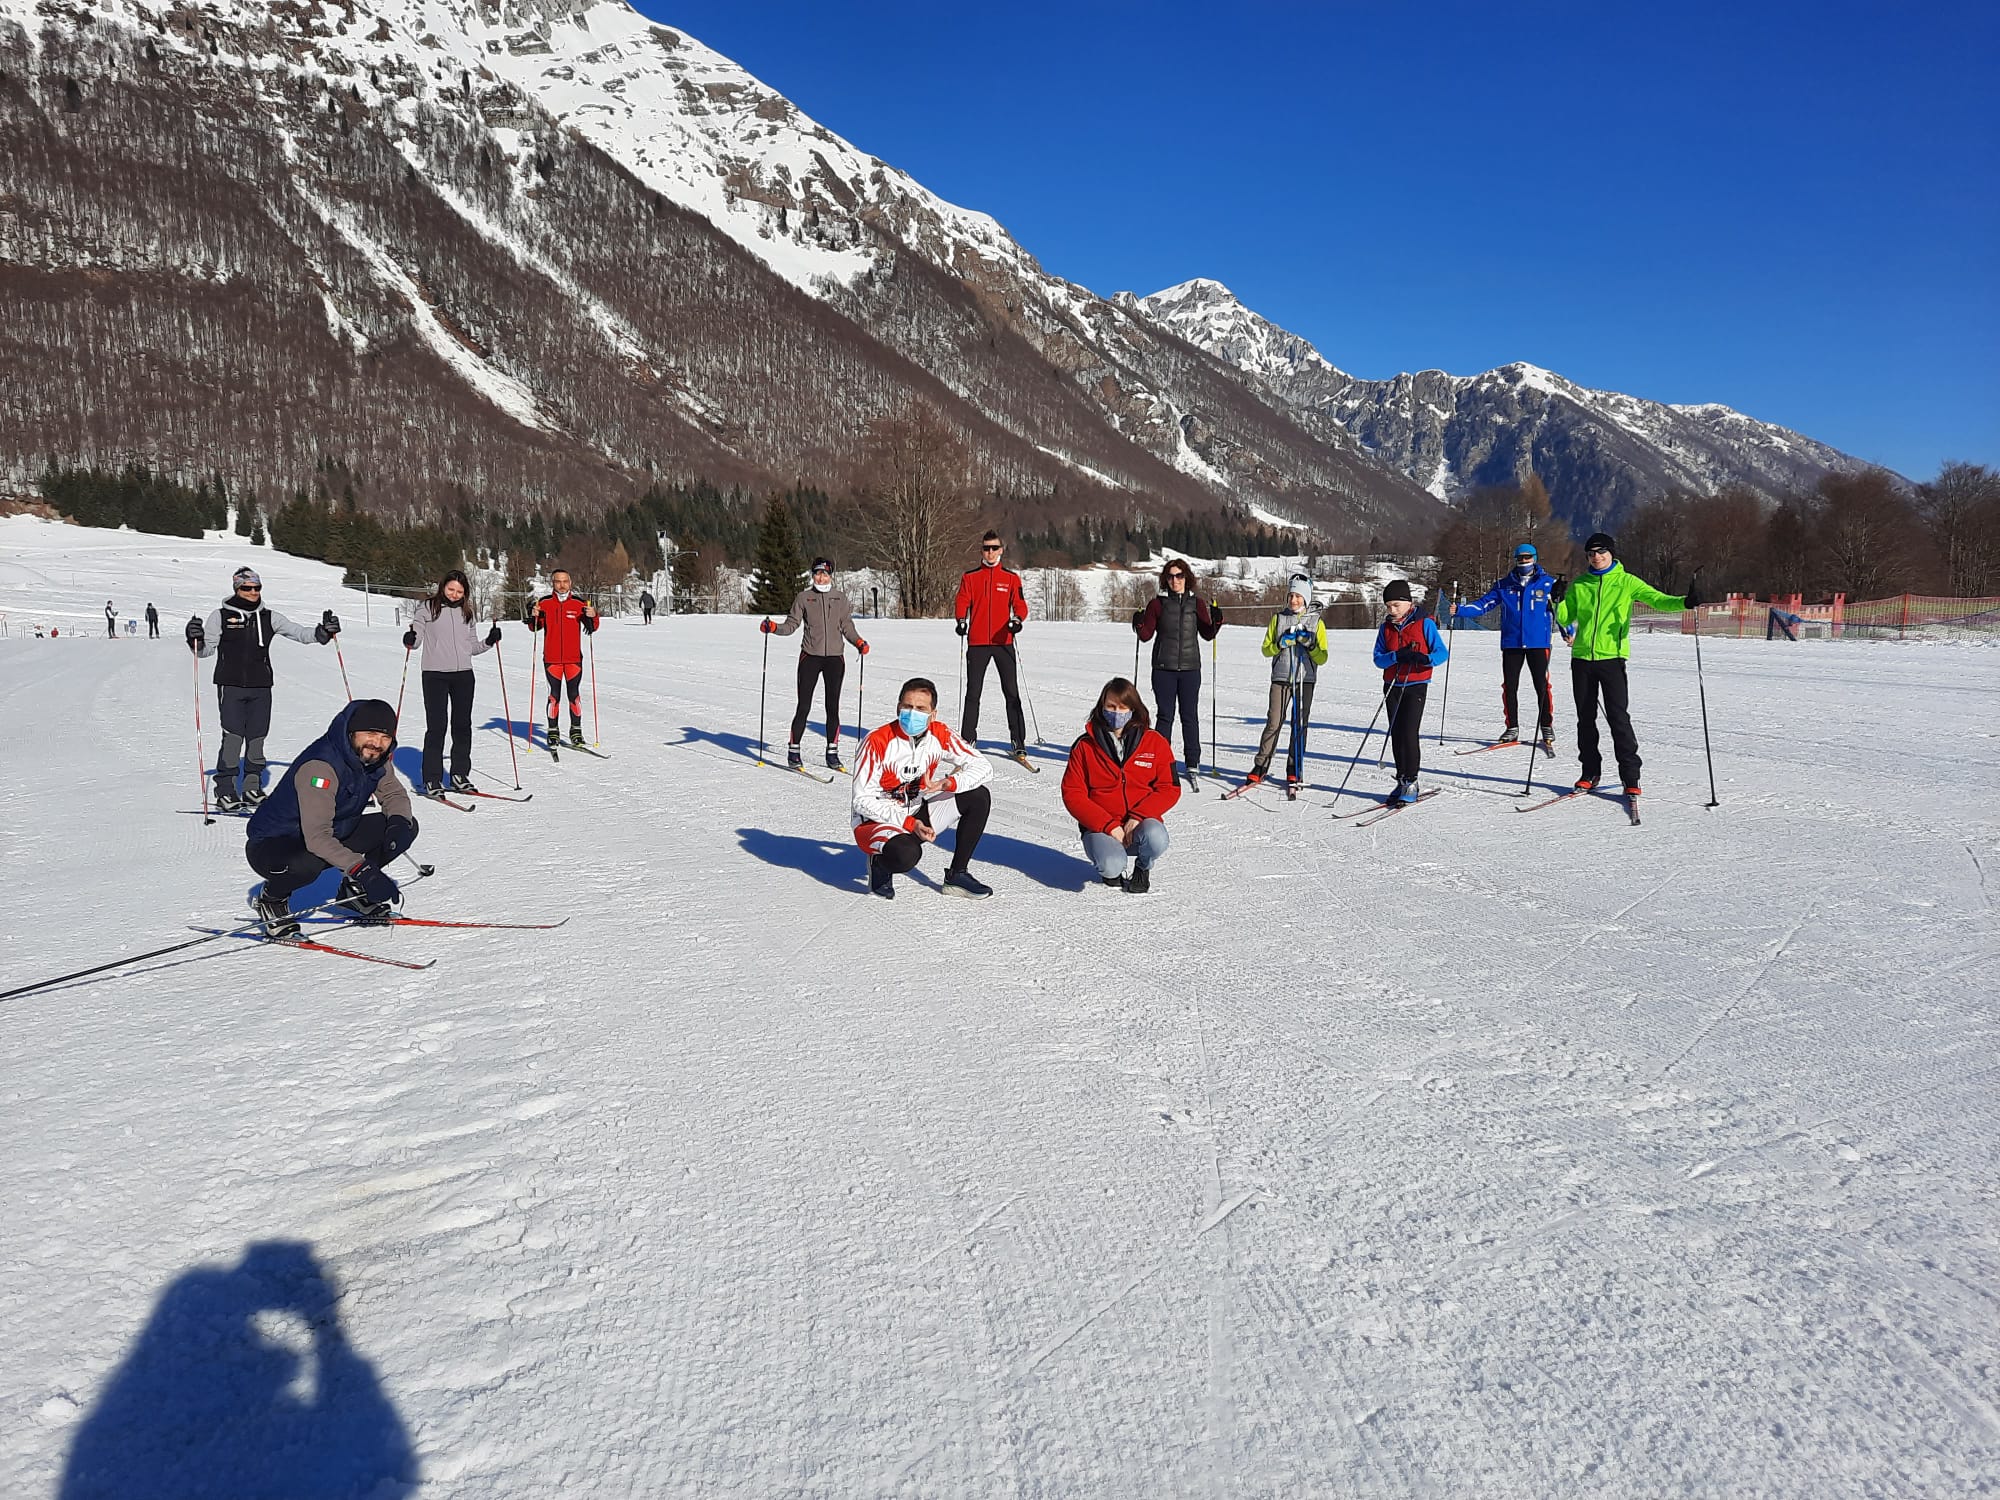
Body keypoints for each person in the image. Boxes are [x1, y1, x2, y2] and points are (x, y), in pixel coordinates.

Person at [244, 699, 419, 937]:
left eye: (385, 737)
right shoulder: (321, 767)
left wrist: (398, 823)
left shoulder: (374, 757)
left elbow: (393, 793)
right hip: (275, 844)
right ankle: (272, 899)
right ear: (351, 733)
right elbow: (317, 837)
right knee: (307, 863)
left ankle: (352, 894)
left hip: (333, 830)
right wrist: (363, 869)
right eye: (370, 733)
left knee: (405, 826)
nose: (377, 743)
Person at [1553, 532, 1694, 801]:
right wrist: (1556, 600)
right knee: (1585, 720)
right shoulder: (1581, 584)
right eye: (1591, 553)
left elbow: (1659, 600)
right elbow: (1566, 618)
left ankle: (1630, 777)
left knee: (1618, 718)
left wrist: (1685, 602)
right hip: (1582, 659)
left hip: (1612, 659)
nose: (1596, 557)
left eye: (1601, 551)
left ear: (1612, 553)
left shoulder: (1627, 582)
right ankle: (1590, 772)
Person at [188, 566, 340, 810]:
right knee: (233, 738)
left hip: (261, 687)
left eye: (257, 587)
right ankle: (225, 790)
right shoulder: (220, 616)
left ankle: (251, 787)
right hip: (231, 686)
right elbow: (205, 650)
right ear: (237, 588)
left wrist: (323, 632)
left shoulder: (269, 617)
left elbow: (300, 633)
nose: (253, 592)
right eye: (247, 588)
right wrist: (194, 638)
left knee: (257, 738)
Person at [851, 677, 994, 900]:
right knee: (907, 854)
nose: (912, 713)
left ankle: (957, 874)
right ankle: (880, 862)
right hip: (876, 821)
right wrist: (910, 824)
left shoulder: (939, 733)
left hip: (916, 810)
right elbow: (862, 800)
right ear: (898, 708)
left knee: (978, 796)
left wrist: (950, 783)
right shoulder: (877, 741)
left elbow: (983, 766)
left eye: (920, 708)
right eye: (907, 707)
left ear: (932, 714)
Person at [1061, 678, 1180, 892]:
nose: (1117, 712)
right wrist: (1108, 825)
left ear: (1133, 709)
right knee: (1111, 865)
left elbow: (1169, 787)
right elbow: (1073, 794)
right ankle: (1113, 870)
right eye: (1111, 706)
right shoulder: (1084, 746)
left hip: (1141, 822)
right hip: (1102, 827)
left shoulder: (1155, 742)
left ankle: (1143, 867)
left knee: (1157, 838)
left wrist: (1138, 816)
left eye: (1123, 707)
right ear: (1102, 707)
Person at [761, 556, 869, 772]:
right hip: (810, 656)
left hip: (835, 659)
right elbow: (791, 625)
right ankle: (793, 750)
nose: (821, 577)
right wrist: (773, 628)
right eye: (817, 573)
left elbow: (847, 626)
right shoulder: (804, 598)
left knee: (833, 707)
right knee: (804, 706)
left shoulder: (840, 598)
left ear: (831, 575)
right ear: (812, 575)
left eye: (825, 573)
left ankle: (832, 752)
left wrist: (858, 641)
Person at [403, 568, 503, 796]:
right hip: (435, 675)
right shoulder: (427, 608)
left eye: (459, 591)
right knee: (437, 727)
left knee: (462, 726)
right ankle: (432, 778)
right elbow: (416, 637)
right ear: (443, 587)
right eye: (451, 589)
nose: (455, 594)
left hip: (464, 676)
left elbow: (472, 647)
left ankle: (459, 774)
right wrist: (410, 639)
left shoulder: (467, 613)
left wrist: (489, 641)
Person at [1453, 543, 1561, 753]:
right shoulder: (1504, 585)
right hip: (1512, 642)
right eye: (1520, 558)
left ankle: (1546, 725)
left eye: (1528, 558)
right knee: (1510, 686)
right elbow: (1484, 605)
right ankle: (1512, 727)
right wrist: (1460, 610)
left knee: (1542, 685)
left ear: (1535, 558)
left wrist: (1568, 632)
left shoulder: (1548, 584)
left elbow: (1561, 610)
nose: (1524, 562)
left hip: (1538, 642)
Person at [1132, 559, 1225, 776]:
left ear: (1187, 578)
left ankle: (1192, 761)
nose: (1175, 580)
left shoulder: (1197, 604)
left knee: (1189, 716)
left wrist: (1217, 621)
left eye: (1179, 576)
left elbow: (1208, 634)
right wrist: (1138, 622)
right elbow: (1145, 636)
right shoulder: (1158, 604)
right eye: (1171, 576)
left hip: (1190, 668)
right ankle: (1162, 761)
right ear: (1166, 579)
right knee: (1165, 716)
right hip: (1164, 668)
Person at [1243, 573, 1327, 792]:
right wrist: (1281, 644)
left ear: (1306, 598)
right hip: (1281, 677)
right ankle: (1260, 765)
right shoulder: (1278, 619)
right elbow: (1265, 649)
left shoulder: (1316, 622)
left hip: (1304, 679)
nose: (1294, 601)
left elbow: (1323, 657)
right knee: (1274, 722)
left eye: (1299, 596)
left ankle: (1294, 767)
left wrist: (1310, 645)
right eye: (1291, 596)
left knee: (1299, 724)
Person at [952, 530, 1031, 756]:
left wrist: (1016, 620)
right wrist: (961, 621)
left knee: (1011, 692)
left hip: (1002, 641)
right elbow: (962, 601)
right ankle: (968, 739)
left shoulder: (1011, 578)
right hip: (977, 643)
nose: (990, 552)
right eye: (986, 548)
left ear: (1001, 550)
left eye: (994, 548)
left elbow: (1020, 605)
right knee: (973, 692)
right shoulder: (970, 577)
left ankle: (1018, 740)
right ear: (981, 550)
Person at [1373, 579, 1450, 804]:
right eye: (1388, 606)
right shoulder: (1385, 627)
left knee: (1409, 732)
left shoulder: (1424, 623)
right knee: (1396, 733)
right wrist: (1396, 656)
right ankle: (1401, 779)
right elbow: (1378, 659)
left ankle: (1412, 780)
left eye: (1396, 605)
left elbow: (1441, 653)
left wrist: (1425, 659)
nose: (1392, 610)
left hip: (1416, 683)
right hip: (1392, 685)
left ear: (1408, 603)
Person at [526, 569, 598, 748]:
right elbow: (534, 628)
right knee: (554, 696)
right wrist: (534, 616)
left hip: (573, 659)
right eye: (558, 581)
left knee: (574, 695)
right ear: (553, 583)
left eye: (565, 581)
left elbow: (593, 626)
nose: (562, 585)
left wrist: (593, 615)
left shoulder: (579, 603)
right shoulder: (544, 603)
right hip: (552, 660)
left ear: (570, 582)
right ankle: (553, 731)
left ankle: (576, 731)